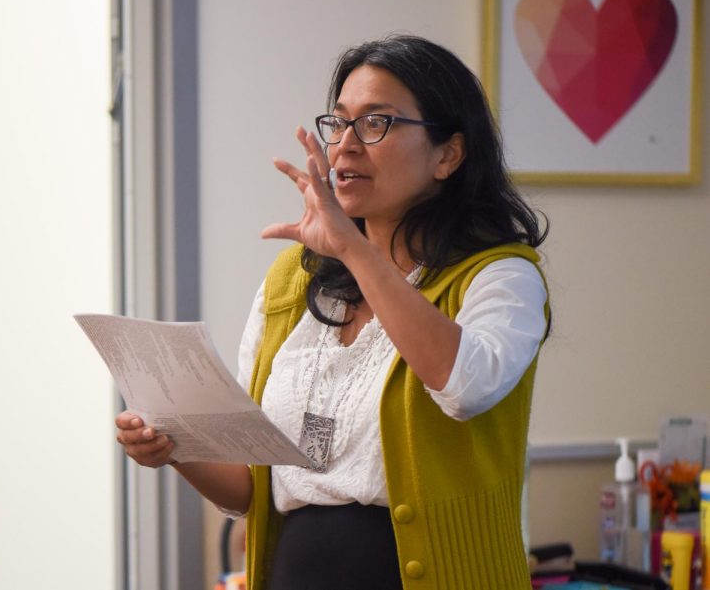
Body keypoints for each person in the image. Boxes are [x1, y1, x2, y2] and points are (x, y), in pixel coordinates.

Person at [116, 34, 550, 590]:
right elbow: (255, 489)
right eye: (339, 123)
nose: (345, 145)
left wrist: (352, 247)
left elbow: (464, 386)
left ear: (448, 154)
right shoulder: (291, 284)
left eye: (377, 123)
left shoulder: (501, 276)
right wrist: (173, 448)